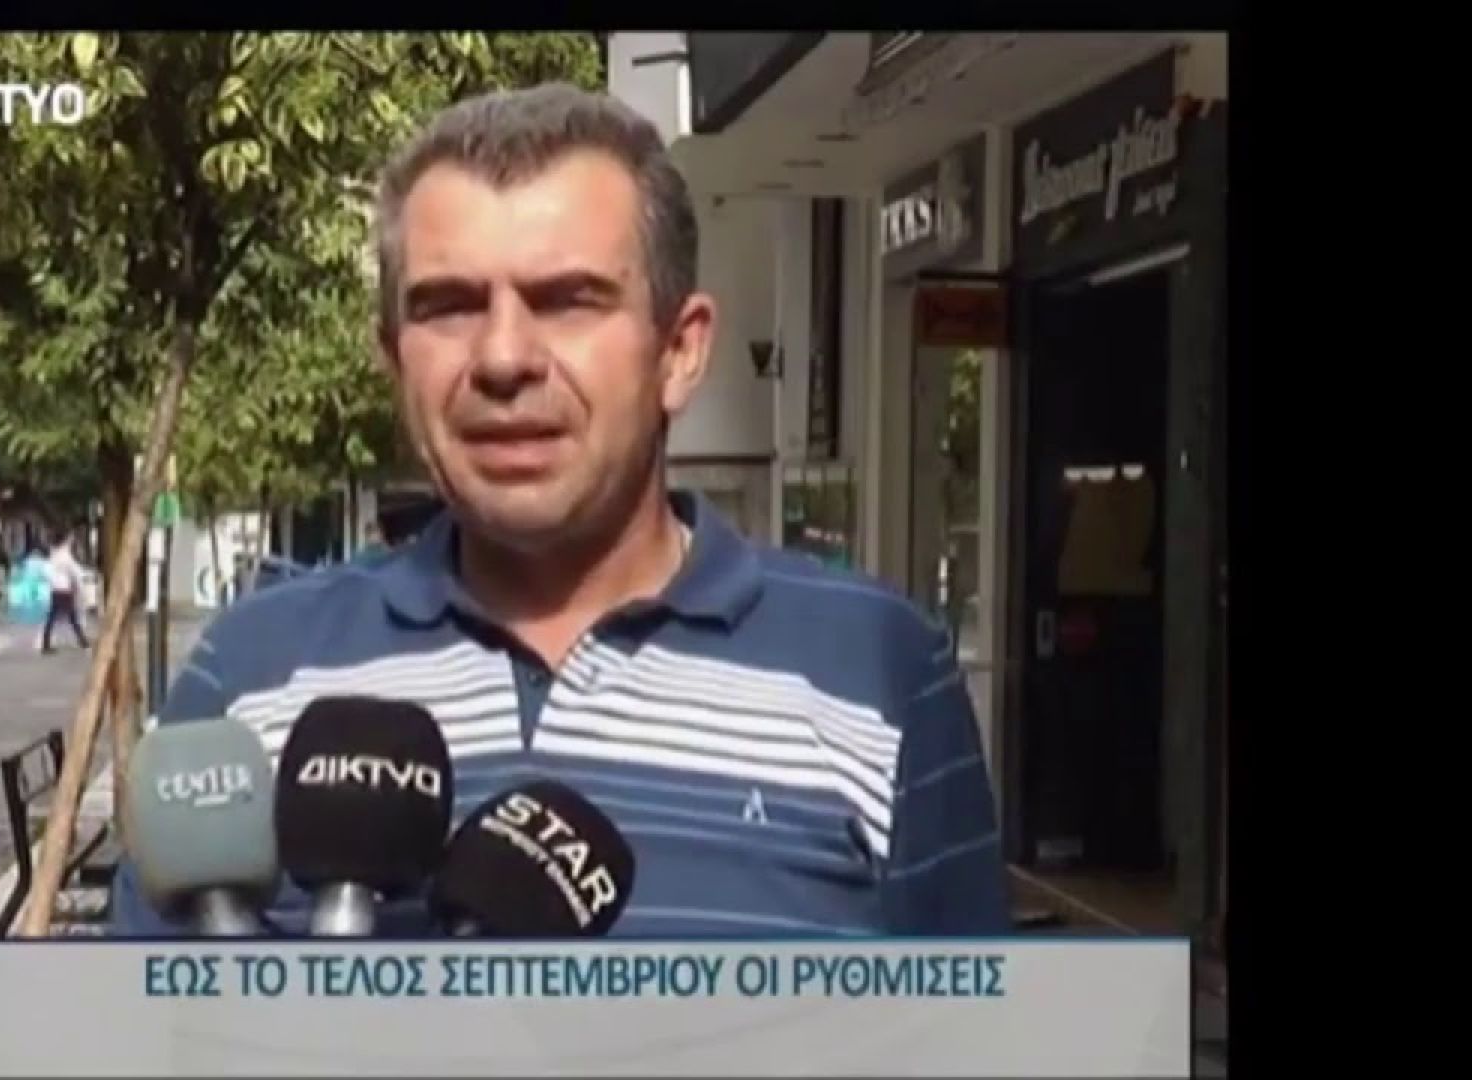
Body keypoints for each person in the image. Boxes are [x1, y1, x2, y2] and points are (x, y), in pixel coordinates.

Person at [110, 84, 1006, 937]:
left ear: (679, 351)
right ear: (393, 357)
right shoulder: (252, 672)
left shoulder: (881, 670)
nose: (503, 359)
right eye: (449, 307)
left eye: (568, 301)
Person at [41, 530, 89, 654]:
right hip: (65, 589)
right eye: (69, 538)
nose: (71, 540)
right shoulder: (65, 555)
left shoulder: (54, 554)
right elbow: (74, 571)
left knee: (54, 617)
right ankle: (83, 641)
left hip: (56, 590)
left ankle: (46, 643)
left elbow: (47, 571)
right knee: (71, 617)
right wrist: (80, 580)